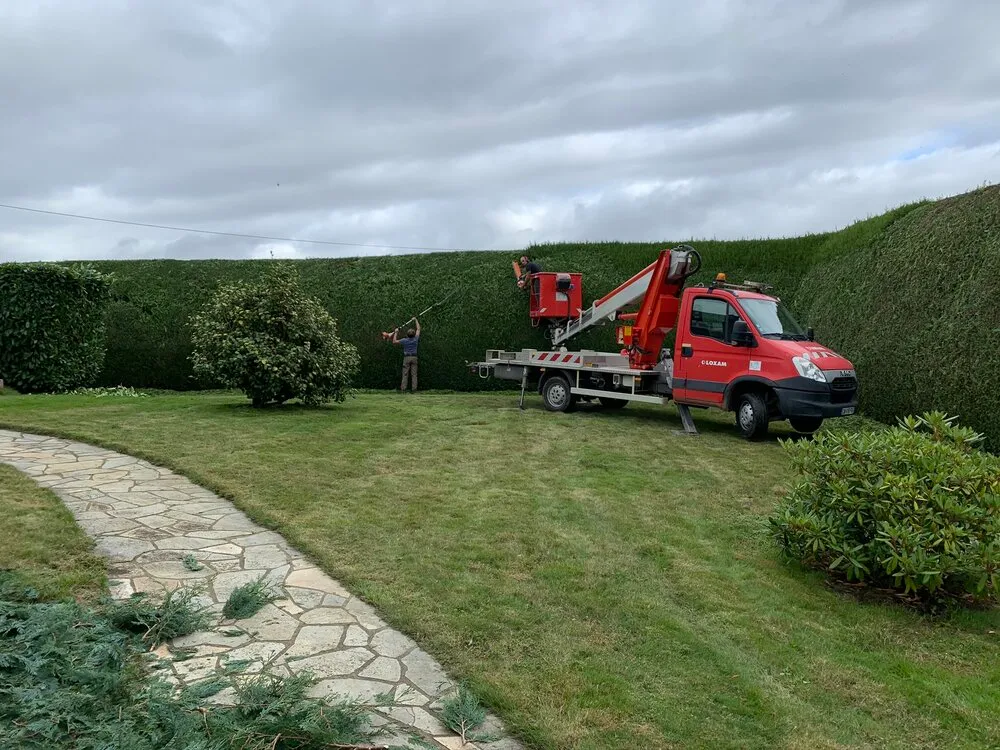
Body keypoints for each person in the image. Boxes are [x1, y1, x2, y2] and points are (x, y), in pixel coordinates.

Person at [391, 319, 420, 391]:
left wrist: (396, 332)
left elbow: (394, 341)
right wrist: (415, 320)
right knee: (414, 375)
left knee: (405, 374)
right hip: (414, 357)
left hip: (406, 358)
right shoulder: (415, 339)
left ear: (407, 335)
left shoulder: (404, 340)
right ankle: (414, 389)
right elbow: (418, 329)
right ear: (413, 334)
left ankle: (403, 389)